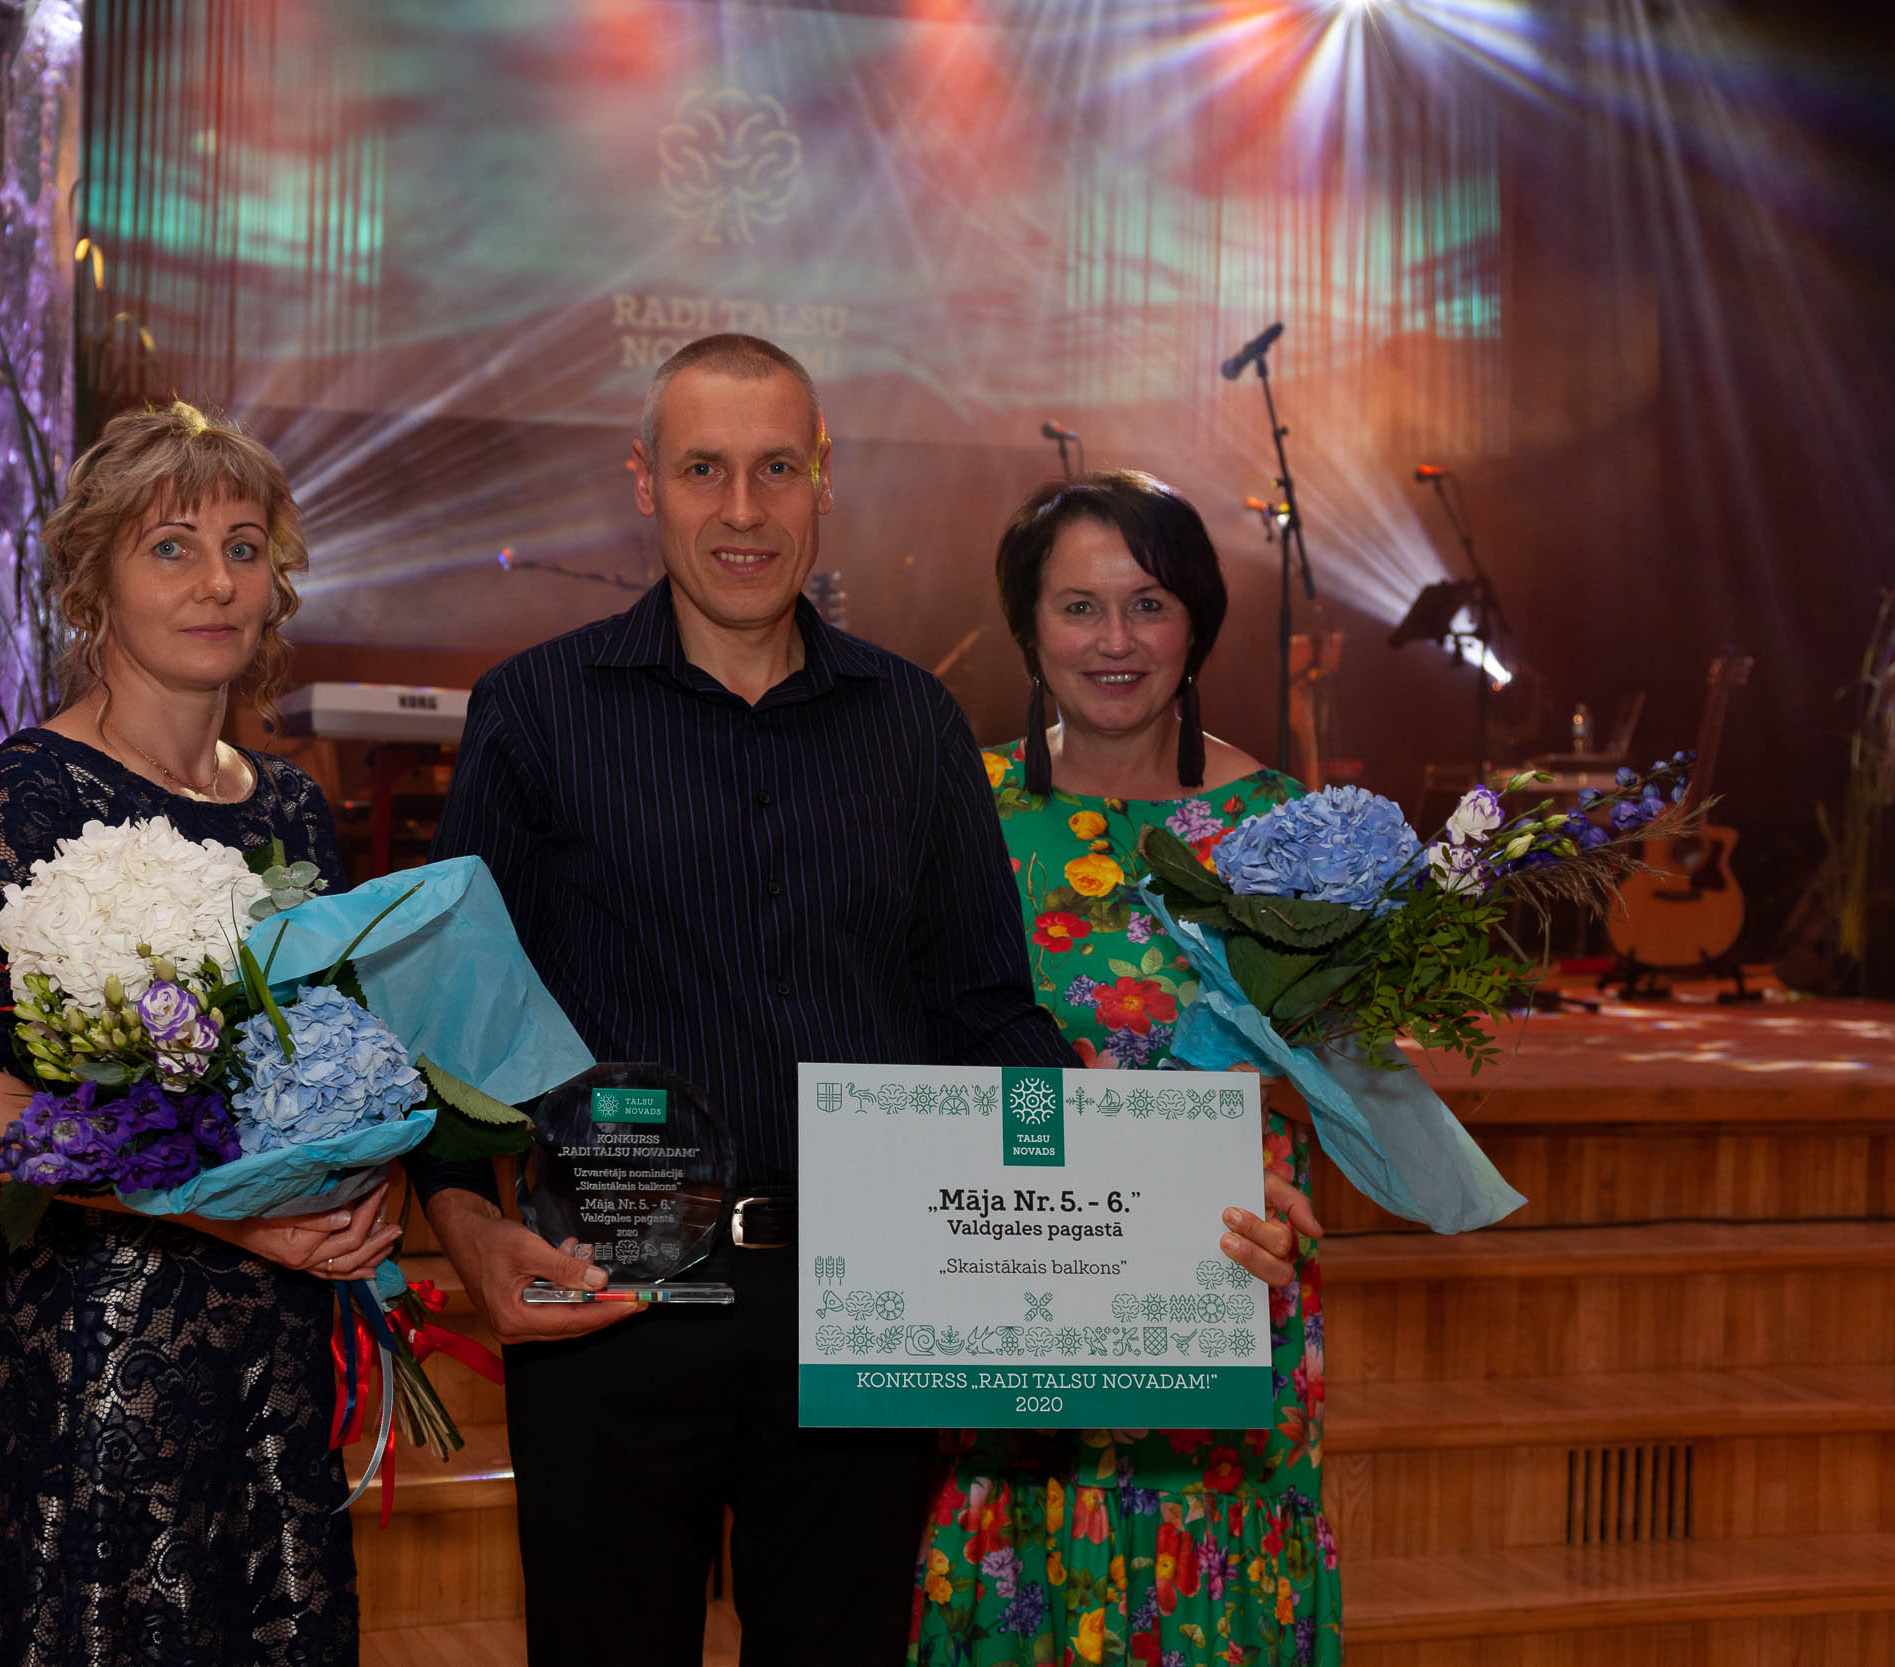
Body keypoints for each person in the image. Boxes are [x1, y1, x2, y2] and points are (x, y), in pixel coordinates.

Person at [406, 336, 1313, 1666]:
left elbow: (987, 1014)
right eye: (704, 469)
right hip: (610, 1288)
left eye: (777, 467)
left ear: (823, 477)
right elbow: (448, 1017)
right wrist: (466, 1220)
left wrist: (1173, 1197)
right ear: (645, 481)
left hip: (870, 1298)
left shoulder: (911, 722)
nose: (743, 509)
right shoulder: (536, 711)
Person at [0, 403, 400, 1667]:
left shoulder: (291, 805)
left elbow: (331, 1053)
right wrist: (217, 1206)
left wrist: (363, 1177)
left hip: (279, 1338)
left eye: (243, 546)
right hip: (111, 1341)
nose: (217, 580)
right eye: (172, 546)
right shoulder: (25, 796)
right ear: (92, 582)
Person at [910, 471, 1342, 1666]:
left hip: (1223, 1278)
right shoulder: (955, 809)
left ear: (1195, 623)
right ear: (1027, 627)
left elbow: (1336, 1072)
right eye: (1078, 606)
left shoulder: (1279, 827)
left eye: (1147, 604)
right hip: (1010, 1282)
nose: (1114, 640)